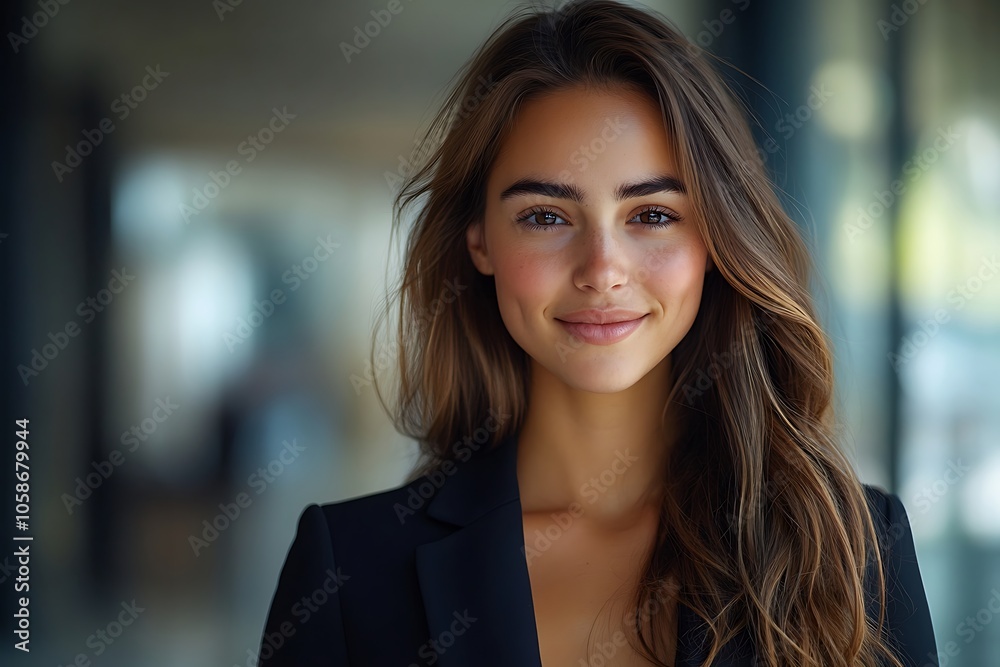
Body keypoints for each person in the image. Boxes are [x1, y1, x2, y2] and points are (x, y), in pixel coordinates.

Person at [257, 1, 938, 665]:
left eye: (651, 214)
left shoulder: (856, 550)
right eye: (546, 217)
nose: (602, 270)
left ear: (716, 238)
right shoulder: (347, 569)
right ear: (479, 242)